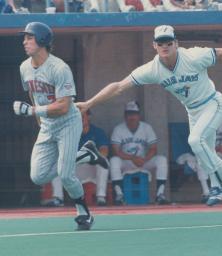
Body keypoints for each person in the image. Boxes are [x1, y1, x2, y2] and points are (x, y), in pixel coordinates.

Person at [76, 25, 222, 222]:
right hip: (193, 111)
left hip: (213, 103)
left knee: (196, 141)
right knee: (204, 153)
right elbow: (119, 86)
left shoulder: (193, 56)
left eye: (168, 42)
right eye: (160, 43)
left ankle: (218, 186)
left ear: (176, 43)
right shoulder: (152, 69)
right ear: (154, 46)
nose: (165, 46)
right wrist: (89, 103)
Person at [13, 22, 95, 230]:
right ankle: (85, 154)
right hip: (48, 125)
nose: (25, 41)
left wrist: (33, 111)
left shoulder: (59, 68)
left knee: (66, 174)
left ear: (41, 40)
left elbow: (64, 106)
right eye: (25, 38)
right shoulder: (24, 67)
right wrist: (39, 119)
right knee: (38, 176)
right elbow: (33, 94)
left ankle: (84, 213)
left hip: (68, 122)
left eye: (29, 37)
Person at [43, 110, 110, 207]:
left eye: (83, 114)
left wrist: (91, 157)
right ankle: (58, 198)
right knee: (56, 164)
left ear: (89, 117)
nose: (81, 117)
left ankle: (101, 198)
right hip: (74, 169)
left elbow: (104, 152)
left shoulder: (98, 132)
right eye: (77, 115)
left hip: (91, 169)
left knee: (104, 162)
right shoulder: (68, 133)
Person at [110, 100, 169, 205]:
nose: (132, 117)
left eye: (134, 114)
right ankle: (119, 195)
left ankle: (160, 194)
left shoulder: (146, 128)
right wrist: (132, 158)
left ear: (139, 115)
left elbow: (153, 148)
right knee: (114, 160)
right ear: (125, 115)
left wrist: (144, 159)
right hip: (127, 162)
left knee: (162, 160)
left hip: (143, 161)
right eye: (129, 114)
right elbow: (116, 151)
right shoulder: (118, 129)